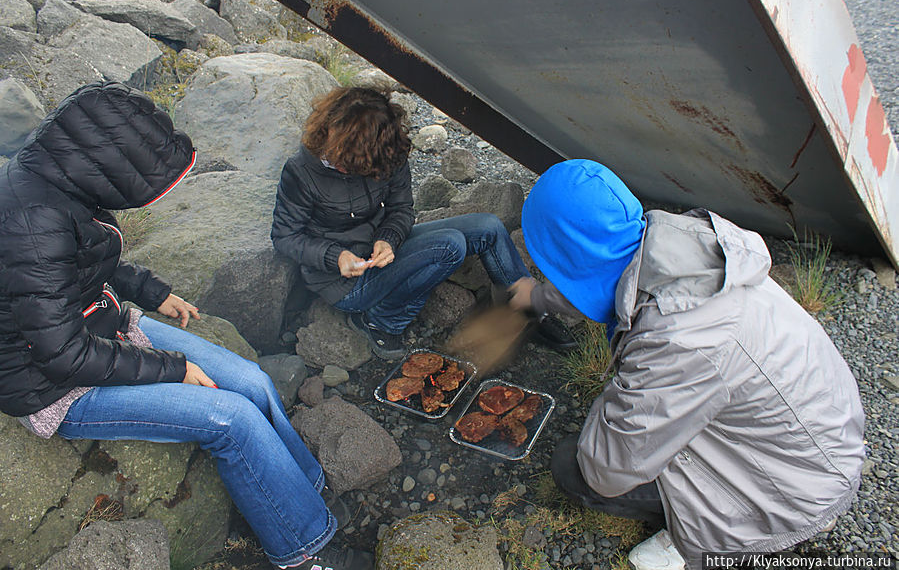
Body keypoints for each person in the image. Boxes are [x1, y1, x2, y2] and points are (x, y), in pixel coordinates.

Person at [0, 82, 371, 570]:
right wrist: (173, 369)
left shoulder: (56, 176)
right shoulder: (32, 221)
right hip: (53, 383)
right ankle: (304, 552)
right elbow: (63, 355)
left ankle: (301, 492)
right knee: (230, 419)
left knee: (252, 381)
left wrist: (155, 293)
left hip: (100, 324)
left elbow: (82, 265)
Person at [513, 159, 864, 569]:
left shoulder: (679, 338)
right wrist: (536, 298)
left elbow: (607, 472)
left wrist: (611, 402)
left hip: (794, 490)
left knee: (574, 465)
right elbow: (607, 279)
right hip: (814, 437)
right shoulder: (675, 248)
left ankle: (711, 540)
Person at [270, 86, 575, 360]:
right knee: (450, 246)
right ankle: (381, 320)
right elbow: (284, 236)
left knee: (489, 226)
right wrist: (335, 256)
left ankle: (529, 311)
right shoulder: (302, 171)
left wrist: (388, 237)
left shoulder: (385, 151)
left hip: (384, 251)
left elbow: (402, 208)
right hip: (344, 283)